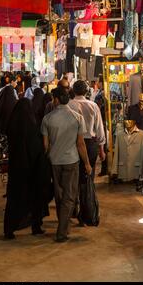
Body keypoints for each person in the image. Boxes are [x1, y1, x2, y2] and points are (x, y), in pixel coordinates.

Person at [41, 87, 92, 242]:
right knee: (69, 197)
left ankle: (64, 225)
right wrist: (87, 164)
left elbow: (45, 145)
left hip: (54, 162)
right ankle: (62, 231)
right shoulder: (77, 117)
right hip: (72, 161)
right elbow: (81, 144)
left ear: (56, 99)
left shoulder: (47, 119)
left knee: (60, 195)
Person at [4, 98, 51, 239]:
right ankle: (36, 226)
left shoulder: (12, 125)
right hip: (33, 169)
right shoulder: (33, 125)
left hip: (17, 170)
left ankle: (9, 229)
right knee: (35, 197)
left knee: (15, 199)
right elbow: (38, 148)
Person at [69, 80, 106, 181]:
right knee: (89, 174)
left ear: (73, 91)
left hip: (73, 144)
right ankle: (89, 196)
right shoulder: (93, 105)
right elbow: (99, 128)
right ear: (86, 91)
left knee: (75, 175)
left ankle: (78, 195)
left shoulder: (69, 105)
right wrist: (101, 149)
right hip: (90, 144)